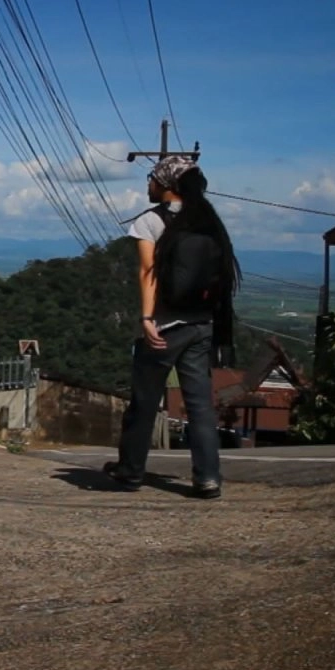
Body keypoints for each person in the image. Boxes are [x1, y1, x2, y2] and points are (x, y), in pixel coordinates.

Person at [103, 155, 241, 499]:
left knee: (145, 401)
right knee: (200, 406)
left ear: (166, 184)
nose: (147, 184)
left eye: (151, 178)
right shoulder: (208, 221)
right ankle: (208, 478)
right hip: (202, 325)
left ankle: (131, 472)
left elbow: (147, 273)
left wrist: (148, 319)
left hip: (165, 327)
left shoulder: (151, 221)